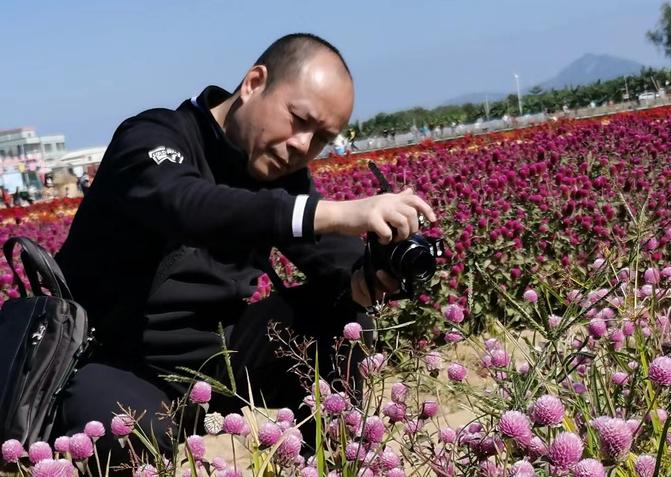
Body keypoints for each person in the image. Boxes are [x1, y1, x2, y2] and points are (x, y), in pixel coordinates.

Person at [51, 33, 436, 466]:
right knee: (117, 431)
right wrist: (335, 212)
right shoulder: (151, 138)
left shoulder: (278, 170)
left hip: (221, 357)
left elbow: (326, 250)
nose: (301, 146)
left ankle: (335, 463)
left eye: (321, 138)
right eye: (298, 119)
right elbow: (189, 207)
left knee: (343, 317)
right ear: (254, 83)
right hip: (120, 362)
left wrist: (367, 275)